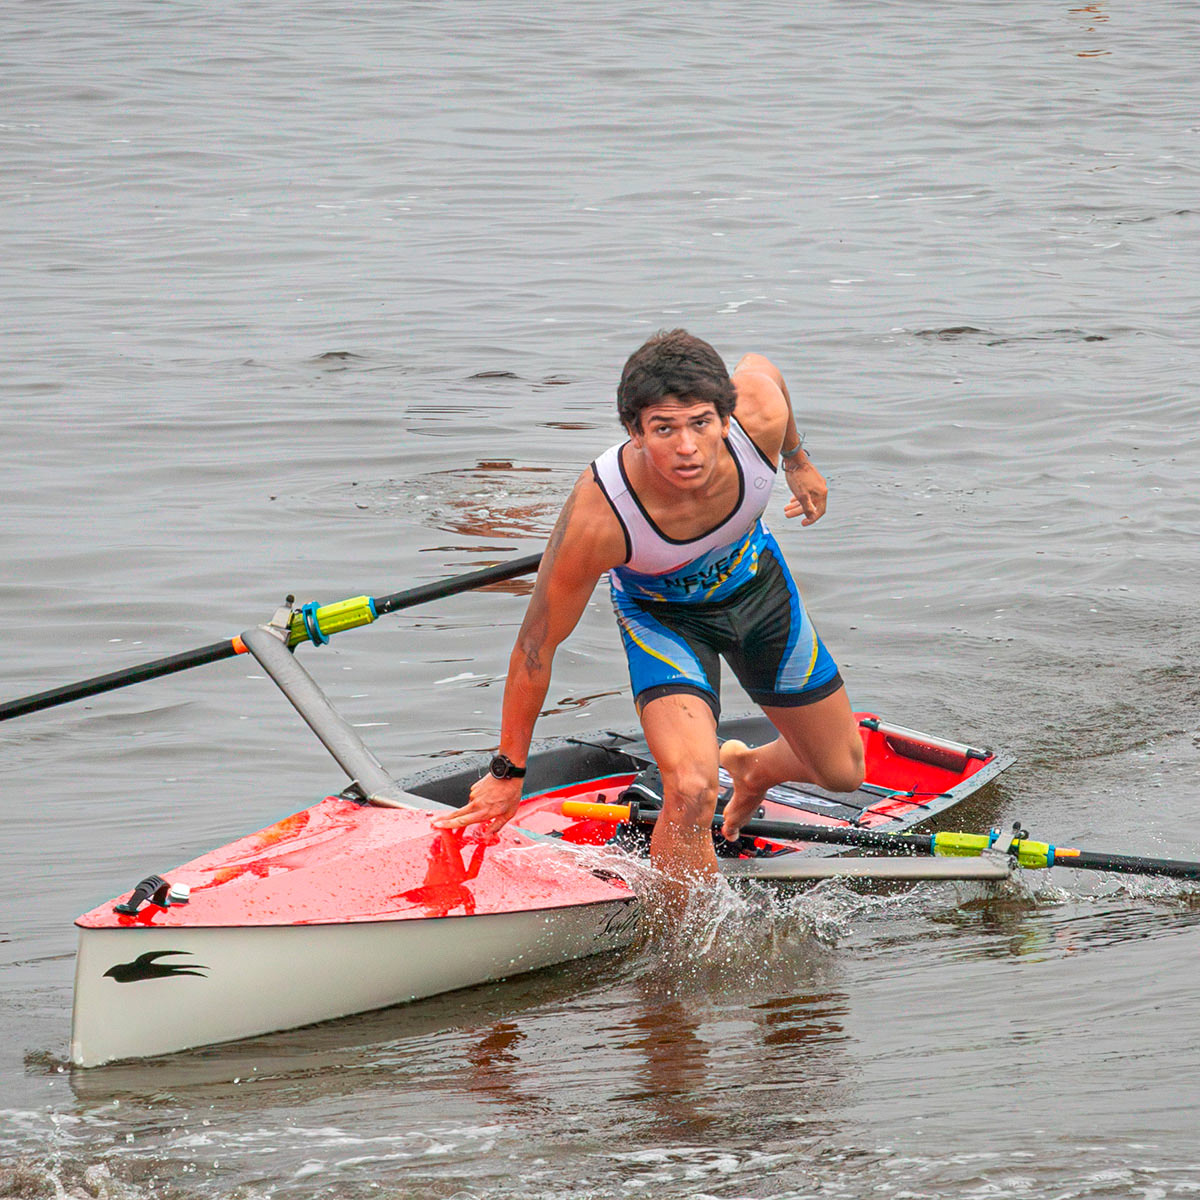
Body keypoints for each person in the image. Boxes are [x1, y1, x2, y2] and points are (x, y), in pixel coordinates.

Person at [432, 330, 865, 890]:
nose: (687, 447)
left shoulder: (758, 415)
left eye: (701, 423)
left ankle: (753, 768)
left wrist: (797, 459)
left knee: (843, 772)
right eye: (664, 429)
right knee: (691, 787)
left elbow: (765, 368)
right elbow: (536, 646)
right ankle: (682, 930)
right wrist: (508, 771)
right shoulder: (599, 517)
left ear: (726, 418)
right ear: (634, 432)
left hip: (759, 593)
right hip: (664, 618)